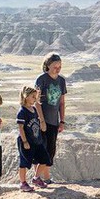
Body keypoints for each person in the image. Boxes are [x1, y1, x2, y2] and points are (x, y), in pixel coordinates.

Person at [34, 52, 67, 184]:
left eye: (59, 66)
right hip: (41, 120)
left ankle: (45, 178)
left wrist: (62, 121)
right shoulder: (41, 79)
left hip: (54, 121)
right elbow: (36, 101)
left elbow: (62, 102)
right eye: (55, 66)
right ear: (47, 65)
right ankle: (38, 178)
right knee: (42, 150)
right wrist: (41, 120)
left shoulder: (62, 81)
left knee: (50, 150)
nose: (57, 68)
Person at [16, 86, 51, 192]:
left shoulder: (34, 109)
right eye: (33, 97)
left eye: (36, 97)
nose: (35, 99)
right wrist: (25, 141)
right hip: (27, 141)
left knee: (45, 159)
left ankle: (36, 178)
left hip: (37, 140)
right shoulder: (22, 112)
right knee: (24, 163)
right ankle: (23, 183)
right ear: (26, 97)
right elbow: (20, 128)